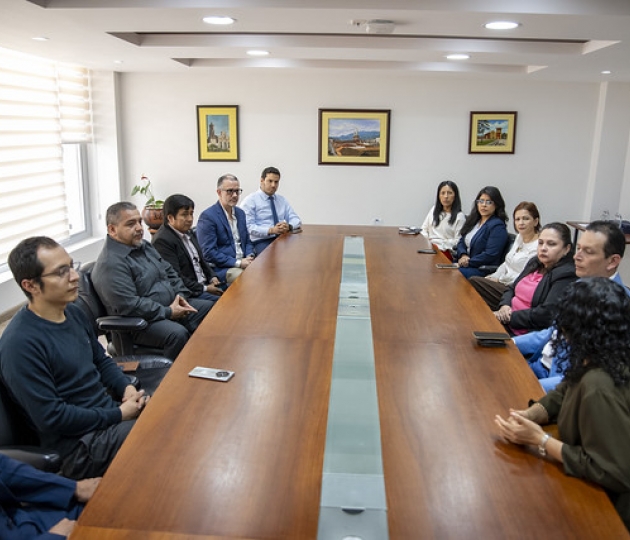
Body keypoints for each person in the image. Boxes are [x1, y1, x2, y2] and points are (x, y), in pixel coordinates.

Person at [0, 237, 149, 479]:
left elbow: (100, 359)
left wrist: (125, 387)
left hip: (105, 415)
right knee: (159, 435)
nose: (75, 276)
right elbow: (53, 417)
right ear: (31, 285)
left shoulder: (73, 311)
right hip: (76, 448)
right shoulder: (20, 344)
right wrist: (119, 414)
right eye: (61, 272)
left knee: (169, 414)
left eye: (71, 266)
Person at [494, 278, 630, 531]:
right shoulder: (606, 354)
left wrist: (541, 440)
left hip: (608, 512)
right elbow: (566, 388)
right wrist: (532, 413)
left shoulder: (599, 387)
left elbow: (612, 471)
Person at [92, 202, 214, 360]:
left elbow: (169, 272)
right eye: (131, 224)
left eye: (139, 222)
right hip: (141, 323)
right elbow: (130, 305)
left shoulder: (144, 246)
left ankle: (206, 361)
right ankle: (171, 379)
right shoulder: (111, 263)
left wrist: (181, 296)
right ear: (112, 230)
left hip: (171, 306)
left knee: (211, 309)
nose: (139, 228)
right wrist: (169, 312)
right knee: (177, 334)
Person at [516, 220, 628, 390]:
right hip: (537, 366)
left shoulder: (620, 305)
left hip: (560, 386)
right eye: (579, 248)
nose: (577, 256)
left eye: (588, 252)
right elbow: (551, 333)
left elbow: (589, 378)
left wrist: (531, 387)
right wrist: (510, 343)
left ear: (612, 261)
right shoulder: (578, 285)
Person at [495, 222, 576, 334]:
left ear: (566, 249)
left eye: (551, 244)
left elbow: (546, 314)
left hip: (522, 333)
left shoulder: (566, 274)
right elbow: (512, 288)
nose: (543, 248)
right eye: (540, 243)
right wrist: (504, 305)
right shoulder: (535, 262)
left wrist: (509, 317)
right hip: (506, 319)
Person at [0, 453, 100, 539]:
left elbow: (4, 468)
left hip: (19, 519)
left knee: (100, 504)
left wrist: (74, 488)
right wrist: (53, 537)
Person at [469, 202, 541, 311]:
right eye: (517, 219)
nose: (521, 223)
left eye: (526, 219)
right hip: (504, 282)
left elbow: (525, 276)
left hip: (514, 289)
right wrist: (495, 276)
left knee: (473, 282)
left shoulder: (539, 245)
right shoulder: (519, 238)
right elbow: (506, 263)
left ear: (535, 221)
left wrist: (500, 280)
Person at [152, 194, 224, 301]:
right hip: (189, 292)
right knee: (223, 304)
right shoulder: (163, 241)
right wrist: (205, 288)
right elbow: (176, 277)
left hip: (204, 284)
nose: (190, 219)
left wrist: (212, 277)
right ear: (170, 218)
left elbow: (201, 261)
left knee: (235, 290)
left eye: (191, 214)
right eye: (185, 215)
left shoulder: (188, 232)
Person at [197, 174, 255, 284]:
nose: (234, 195)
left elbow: (247, 241)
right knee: (248, 278)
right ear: (219, 192)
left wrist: (250, 256)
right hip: (223, 268)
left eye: (237, 191)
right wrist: (238, 263)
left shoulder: (240, 213)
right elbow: (209, 253)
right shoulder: (208, 217)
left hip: (244, 262)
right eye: (230, 191)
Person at [240, 166, 301, 254]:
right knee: (272, 261)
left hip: (282, 238)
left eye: (276, 182)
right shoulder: (250, 201)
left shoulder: (281, 200)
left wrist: (289, 226)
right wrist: (271, 230)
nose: (273, 185)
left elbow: (296, 219)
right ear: (262, 181)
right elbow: (249, 227)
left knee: (298, 254)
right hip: (261, 241)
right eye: (270, 181)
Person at [455, 186, 509, 279]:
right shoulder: (474, 221)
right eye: (481, 201)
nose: (484, 205)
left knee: (450, 275)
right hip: (465, 264)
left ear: (496, 205)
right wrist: (463, 255)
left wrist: (468, 261)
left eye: (489, 202)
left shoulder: (497, 226)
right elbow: (461, 241)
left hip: (480, 269)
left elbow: (490, 254)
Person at [420, 180, 465, 257]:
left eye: (449, 193)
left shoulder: (460, 216)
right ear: (439, 196)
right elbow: (424, 229)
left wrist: (440, 243)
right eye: (442, 193)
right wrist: (427, 243)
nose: (446, 196)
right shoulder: (434, 210)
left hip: (445, 251)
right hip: (429, 248)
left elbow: (458, 241)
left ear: (455, 196)